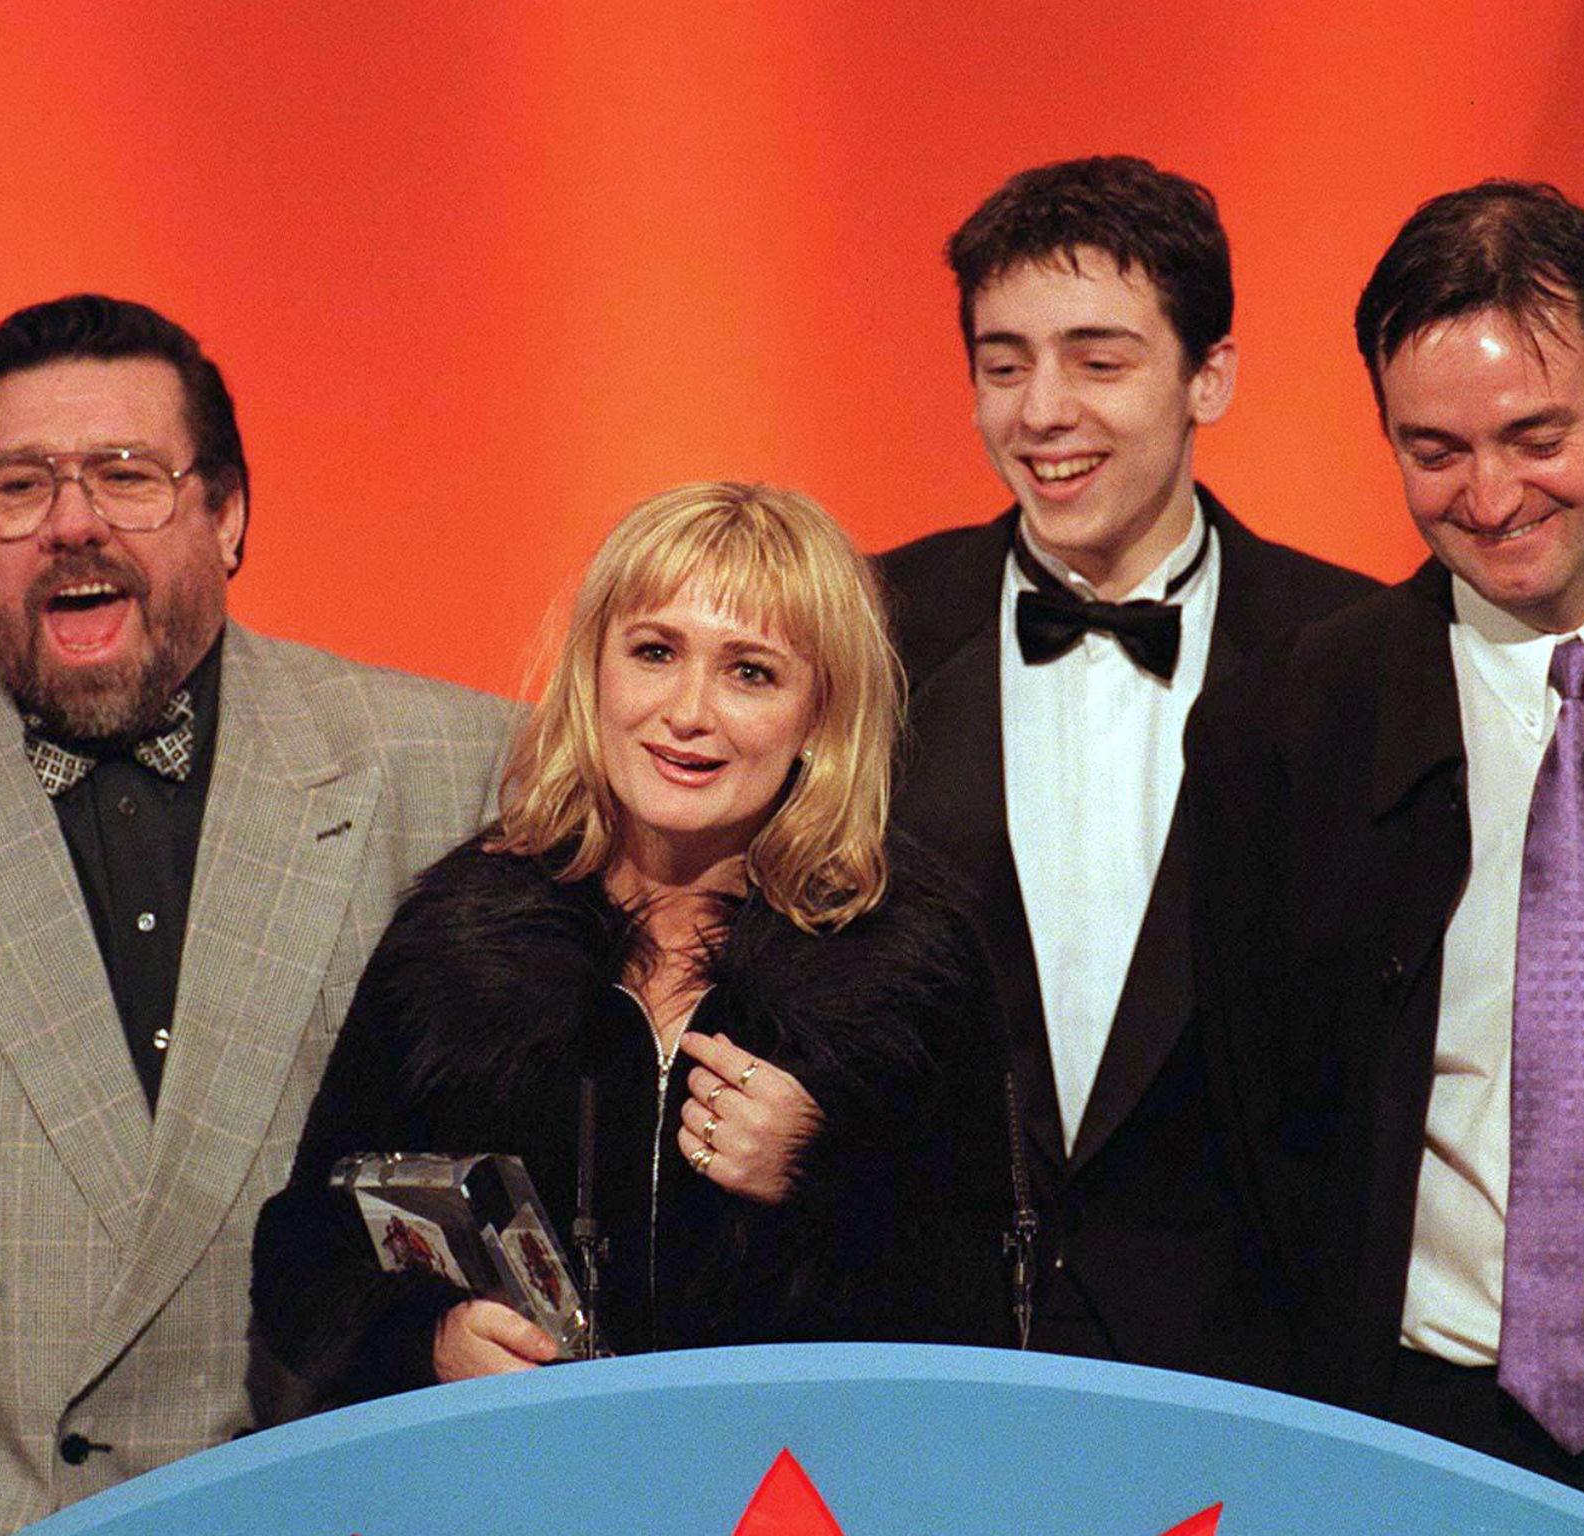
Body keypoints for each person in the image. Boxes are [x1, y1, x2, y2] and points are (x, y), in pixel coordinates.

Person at [0, 294, 516, 1533]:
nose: (72, 524)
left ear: (226, 514)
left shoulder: (451, 764)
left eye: (126, 476)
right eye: (18, 485)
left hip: (332, 1512)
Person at [1187, 181, 1584, 1534]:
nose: (1490, 499)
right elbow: (1261, 1137)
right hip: (1418, 1441)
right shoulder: (1292, 724)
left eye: (1536, 437)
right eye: (1434, 451)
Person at [252, 481, 1014, 1403]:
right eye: (655, 652)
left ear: (820, 714)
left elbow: (988, 1309)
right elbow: (303, 1254)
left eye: (750, 672)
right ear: (596, 674)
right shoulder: (460, 937)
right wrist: (432, 1339)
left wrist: (822, 1180)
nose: (687, 711)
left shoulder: (908, 959)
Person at [877, 156, 1373, 1370]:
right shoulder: (861, 627)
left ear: (1209, 376)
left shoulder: (1359, 657)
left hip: (1241, 1365)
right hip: (904, 1341)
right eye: (1003, 365)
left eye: (1097, 361)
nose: (1040, 411)